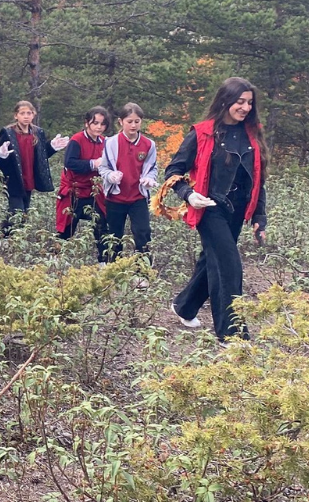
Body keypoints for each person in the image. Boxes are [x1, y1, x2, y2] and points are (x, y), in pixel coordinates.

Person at [165, 78, 267, 341]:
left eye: (249, 103)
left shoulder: (252, 134)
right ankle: (232, 336)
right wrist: (188, 195)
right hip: (210, 209)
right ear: (225, 100)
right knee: (229, 267)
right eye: (240, 101)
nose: (245, 107)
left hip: (238, 211)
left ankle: (184, 306)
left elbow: (258, 177)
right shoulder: (203, 132)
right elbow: (174, 171)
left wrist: (259, 216)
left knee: (213, 261)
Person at [0, 100, 69, 236]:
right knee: (18, 211)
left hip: (28, 178)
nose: (26, 116)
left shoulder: (37, 132)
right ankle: (9, 238)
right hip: (13, 180)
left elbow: (41, 155)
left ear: (33, 115)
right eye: (22, 113)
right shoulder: (8, 133)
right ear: (16, 115)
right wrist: (2, 154)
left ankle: (5, 236)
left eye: (29, 113)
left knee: (24, 212)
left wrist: (52, 146)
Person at [97, 103, 158, 263]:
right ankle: (115, 269)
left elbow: (152, 167)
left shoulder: (149, 144)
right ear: (121, 121)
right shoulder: (110, 143)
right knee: (114, 235)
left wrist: (149, 179)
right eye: (129, 121)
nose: (133, 125)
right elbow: (103, 167)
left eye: (137, 121)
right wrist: (110, 176)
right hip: (115, 198)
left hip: (138, 197)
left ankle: (142, 271)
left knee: (142, 232)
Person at [56, 107, 109, 252]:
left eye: (102, 124)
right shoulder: (77, 140)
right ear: (87, 123)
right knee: (67, 227)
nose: (99, 127)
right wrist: (92, 164)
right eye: (95, 123)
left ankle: (103, 261)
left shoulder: (104, 142)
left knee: (102, 224)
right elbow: (70, 162)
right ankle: (57, 260)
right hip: (75, 190)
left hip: (94, 191)